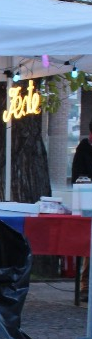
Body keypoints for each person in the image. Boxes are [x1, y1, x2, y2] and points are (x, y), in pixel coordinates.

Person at [71, 119, 92, 301]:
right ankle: (85, 285)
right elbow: (78, 177)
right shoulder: (83, 149)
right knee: (88, 245)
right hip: (88, 201)